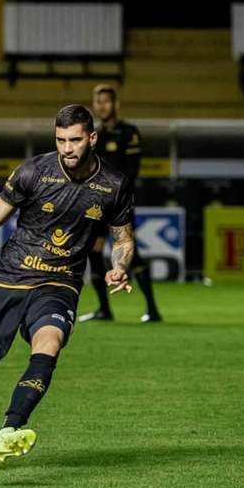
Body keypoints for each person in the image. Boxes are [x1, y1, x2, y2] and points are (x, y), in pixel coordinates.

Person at [0, 104, 135, 470]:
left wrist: (119, 267)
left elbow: (123, 240)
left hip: (60, 282)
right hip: (7, 277)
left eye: (74, 140)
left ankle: (11, 428)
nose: (67, 149)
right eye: (60, 140)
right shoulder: (33, 172)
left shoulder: (114, 185)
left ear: (92, 138)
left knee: (49, 344)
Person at [79, 85, 162, 323]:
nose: (101, 106)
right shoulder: (96, 135)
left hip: (119, 205)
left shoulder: (129, 133)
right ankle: (104, 309)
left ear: (116, 104)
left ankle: (152, 310)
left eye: (106, 101)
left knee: (130, 255)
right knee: (93, 253)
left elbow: (131, 173)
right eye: (98, 102)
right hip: (97, 205)